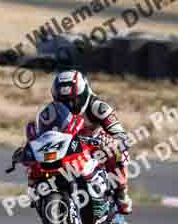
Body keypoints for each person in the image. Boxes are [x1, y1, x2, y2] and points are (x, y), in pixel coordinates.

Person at [47, 70, 132, 215]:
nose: (69, 106)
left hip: (96, 148)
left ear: (83, 94)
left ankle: (121, 192)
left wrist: (112, 141)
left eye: (73, 100)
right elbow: (43, 134)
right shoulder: (52, 112)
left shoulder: (98, 107)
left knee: (120, 152)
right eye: (63, 102)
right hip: (68, 149)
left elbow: (122, 136)